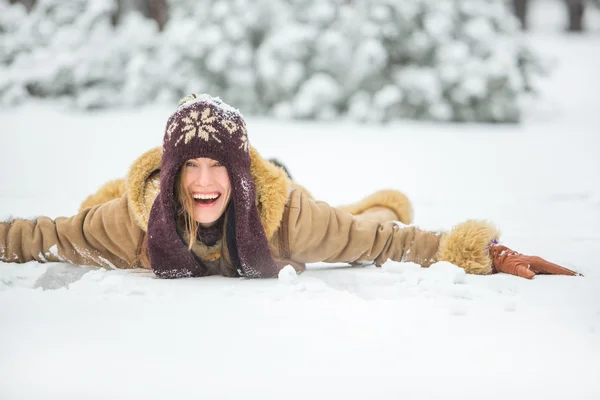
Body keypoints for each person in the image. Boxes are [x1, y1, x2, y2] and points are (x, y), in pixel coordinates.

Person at [0, 94, 581, 280]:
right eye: (190, 168)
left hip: (283, 196)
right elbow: (40, 235)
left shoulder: (290, 216)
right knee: (88, 210)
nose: (204, 181)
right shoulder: (129, 221)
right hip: (130, 201)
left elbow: (389, 245)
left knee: (364, 225)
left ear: (239, 174)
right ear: (174, 175)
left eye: (218, 166)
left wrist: (486, 251)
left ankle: (374, 196)